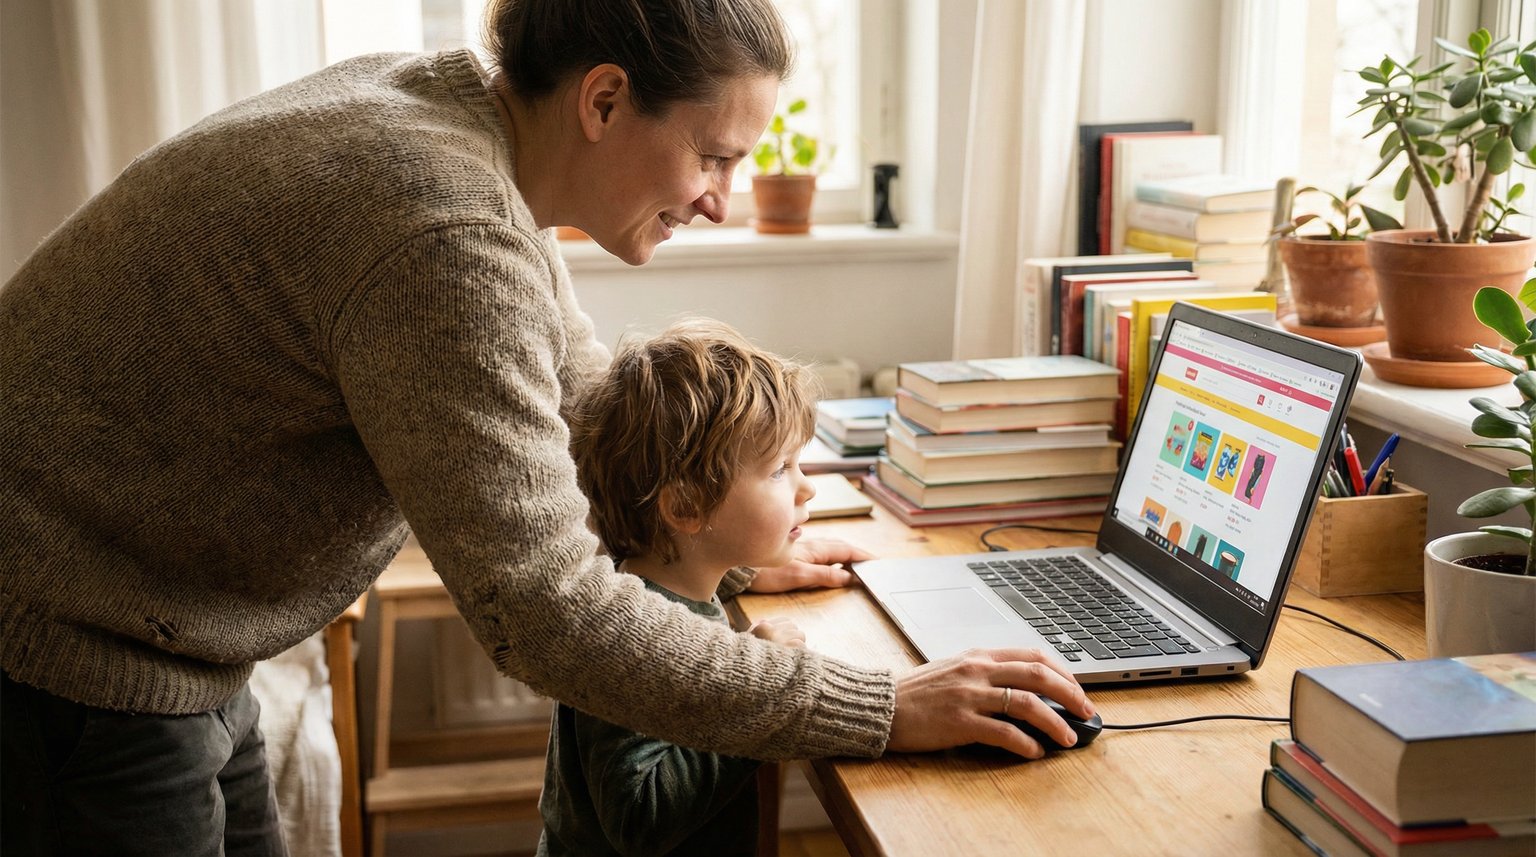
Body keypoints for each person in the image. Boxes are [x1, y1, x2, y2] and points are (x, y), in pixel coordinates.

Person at [0, 0, 1094, 853]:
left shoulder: (463, 137)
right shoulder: (439, 225)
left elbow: (582, 393)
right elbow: (548, 611)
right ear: (606, 99)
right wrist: (874, 704)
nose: (721, 196)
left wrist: (733, 540)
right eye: (713, 155)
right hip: (73, 641)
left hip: (173, 629)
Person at [540, 318, 818, 855]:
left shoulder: (679, 593)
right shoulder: (629, 638)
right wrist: (754, 690)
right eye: (780, 469)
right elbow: (639, 816)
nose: (807, 486)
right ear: (686, 507)